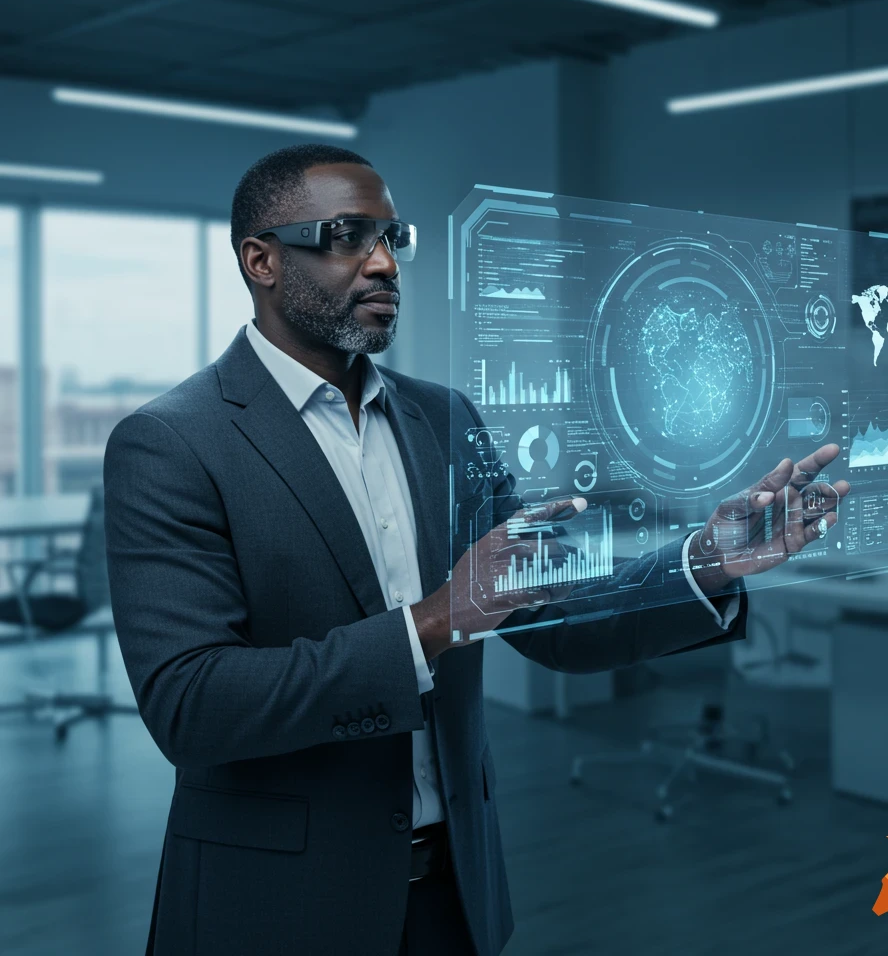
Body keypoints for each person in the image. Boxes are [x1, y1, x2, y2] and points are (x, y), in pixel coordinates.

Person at [103, 144, 848, 956]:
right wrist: (435, 623)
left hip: (455, 898)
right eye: (348, 235)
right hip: (276, 911)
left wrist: (707, 560)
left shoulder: (446, 420)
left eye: (392, 237)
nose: (384, 263)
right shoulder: (172, 443)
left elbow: (549, 613)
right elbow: (191, 704)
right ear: (261, 260)